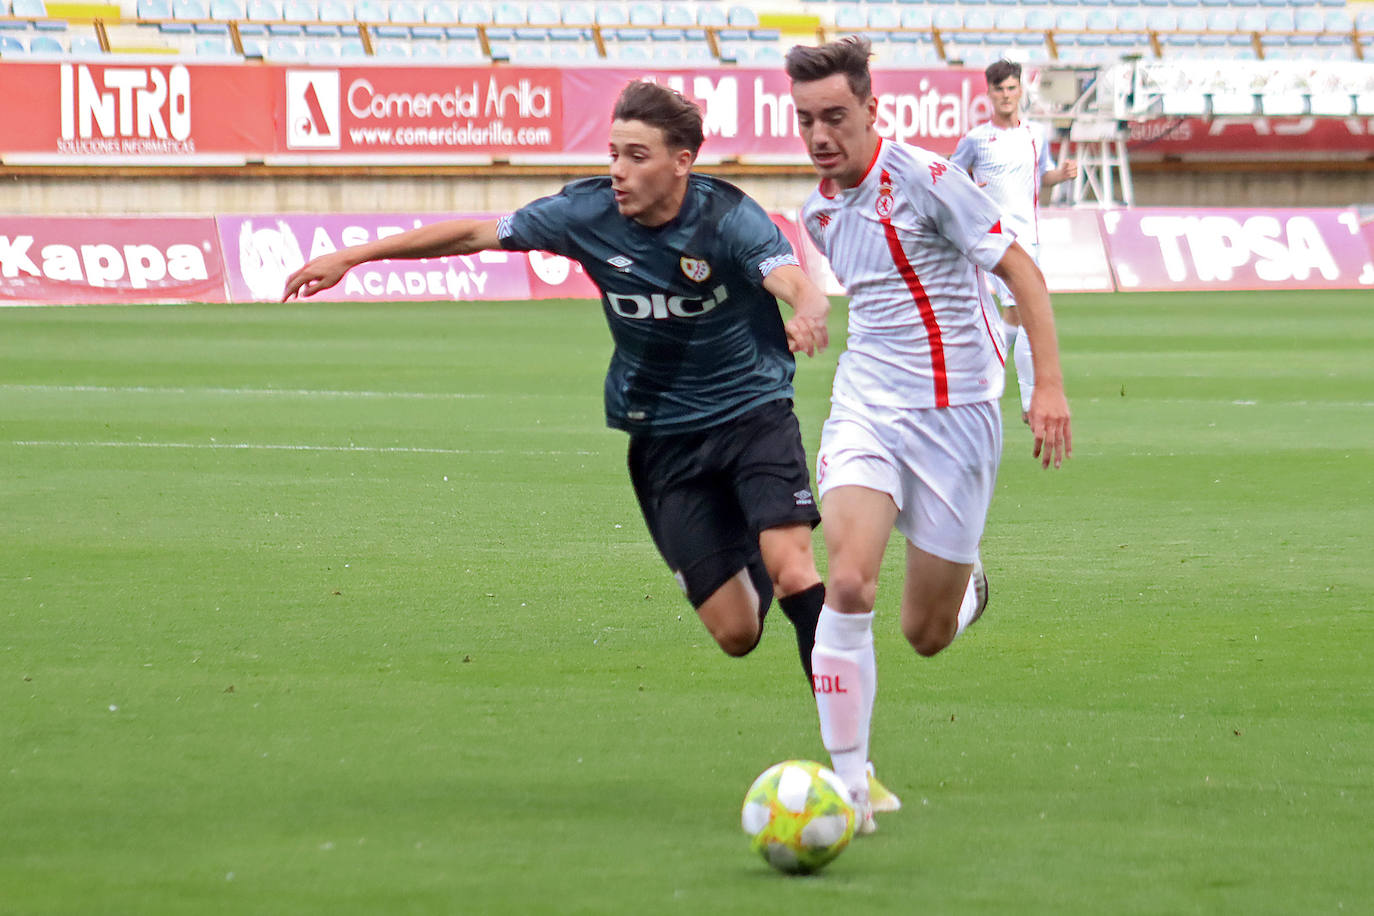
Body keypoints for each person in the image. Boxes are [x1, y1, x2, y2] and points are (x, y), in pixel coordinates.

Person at [281, 81, 899, 805]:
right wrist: (356, 256)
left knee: (797, 571)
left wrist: (812, 306)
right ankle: (751, 559)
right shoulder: (586, 213)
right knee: (736, 632)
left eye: (636, 156)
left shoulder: (729, 217)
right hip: (663, 440)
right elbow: (478, 233)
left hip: (752, 415)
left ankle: (854, 774)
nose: (618, 170)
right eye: (613, 153)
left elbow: (789, 276)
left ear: (681, 162)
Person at [785, 37, 1072, 833]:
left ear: (873, 110)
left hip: (957, 422)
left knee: (924, 635)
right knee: (846, 583)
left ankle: (966, 583)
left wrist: (1046, 384)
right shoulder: (818, 209)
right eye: (806, 119)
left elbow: (1023, 273)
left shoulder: (928, 181)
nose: (819, 136)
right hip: (867, 408)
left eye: (835, 117)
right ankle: (852, 785)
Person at [950, 59, 1078, 423]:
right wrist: (971, 197)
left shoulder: (1035, 135)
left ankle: (977, 380)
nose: (1005, 95)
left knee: (1014, 317)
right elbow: (951, 180)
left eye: (1011, 88)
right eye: (999, 89)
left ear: (1020, 90)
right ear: (989, 94)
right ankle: (1025, 402)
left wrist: (1061, 175)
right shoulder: (976, 140)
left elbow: (1041, 178)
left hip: (1028, 238)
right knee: (1023, 313)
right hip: (991, 238)